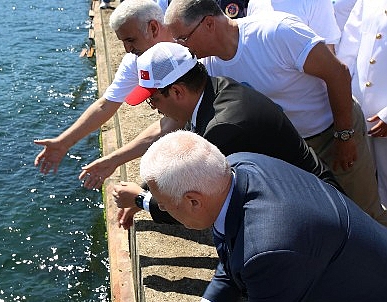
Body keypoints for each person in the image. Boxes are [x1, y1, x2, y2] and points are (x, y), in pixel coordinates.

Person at [97, 0, 387, 225]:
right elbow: (173, 124)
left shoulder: (275, 32)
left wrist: (345, 136)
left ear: (208, 24)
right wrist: (142, 180)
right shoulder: (208, 64)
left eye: (182, 39)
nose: (181, 48)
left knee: (364, 213)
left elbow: (337, 73)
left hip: (331, 131)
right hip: (291, 145)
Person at [139, 130, 387, 302]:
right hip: (339, 292)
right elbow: (236, 241)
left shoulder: (269, 247)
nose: (163, 209)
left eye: (164, 204)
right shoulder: (236, 168)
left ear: (193, 201)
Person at [112, 42, 340, 234]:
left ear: (177, 92)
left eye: (153, 100)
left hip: (317, 218)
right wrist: (146, 189)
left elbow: (197, 204)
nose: (154, 109)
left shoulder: (223, 129)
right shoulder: (216, 89)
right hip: (311, 198)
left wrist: (141, 200)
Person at [33, 0, 175, 189]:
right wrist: (63, 142)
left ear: (154, 28)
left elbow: (175, 123)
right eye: (123, 42)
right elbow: (105, 105)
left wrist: (114, 160)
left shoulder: (192, 50)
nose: (127, 49)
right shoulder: (136, 59)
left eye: (131, 40)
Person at [336, 0, 387, 206]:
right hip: (358, 116)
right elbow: (348, 51)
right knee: (360, 189)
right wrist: (344, 103)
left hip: (383, 119)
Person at [246, 0, 340, 52]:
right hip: (258, 86)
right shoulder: (255, 2)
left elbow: (328, 51)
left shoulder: (317, 2)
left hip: (304, 87)